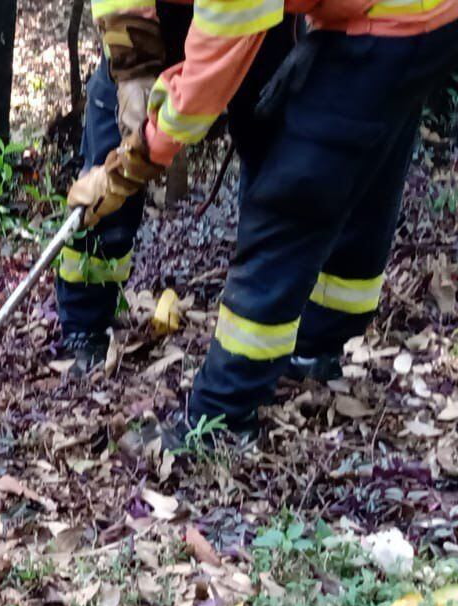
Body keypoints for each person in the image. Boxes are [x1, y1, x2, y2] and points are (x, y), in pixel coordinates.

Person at [68, 0, 458, 448]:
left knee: (292, 192)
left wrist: (136, 160)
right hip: (401, 13)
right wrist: (130, 58)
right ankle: (315, 345)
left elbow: (203, 88)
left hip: (391, 20)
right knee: (353, 159)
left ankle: (222, 417)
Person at [58, 0, 295, 377]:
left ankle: (264, 341)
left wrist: (140, 157)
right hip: (150, 18)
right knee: (101, 185)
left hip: (255, 19)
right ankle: (83, 328)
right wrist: (131, 63)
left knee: (278, 171)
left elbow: (195, 100)